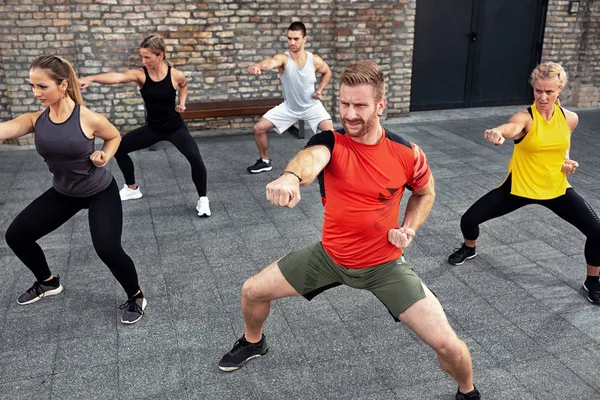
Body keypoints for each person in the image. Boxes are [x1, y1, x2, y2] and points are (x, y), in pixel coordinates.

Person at [219, 61, 480, 400]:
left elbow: (425, 191)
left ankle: (467, 391)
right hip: (329, 257)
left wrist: (410, 227)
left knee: (448, 345)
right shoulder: (331, 140)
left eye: (360, 105)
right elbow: (311, 160)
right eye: (344, 104)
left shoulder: (406, 154)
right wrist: (290, 177)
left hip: (384, 266)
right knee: (252, 290)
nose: (350, 114)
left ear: (380, 105)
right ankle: (254, 343)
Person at [1, 55, 147, 324]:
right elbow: (5, 129)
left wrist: (104, 155)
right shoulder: (36, 120)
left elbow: (114, 136)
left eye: (42, 86)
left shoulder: (87, 118)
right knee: (17, 236)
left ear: (63, 85)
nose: (36, 93)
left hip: (99, 190)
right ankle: (47, 282)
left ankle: (136, 295)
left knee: (108, 249)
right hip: (64, 193)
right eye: (32, 86)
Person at [448, 62, 600, 305]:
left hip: (556, 189)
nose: (542, 97)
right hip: (519, 188)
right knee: (468, 219)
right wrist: (498, 131)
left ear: (560, 89)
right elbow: (511, 128)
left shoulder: (570, 118)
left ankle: (592, 281)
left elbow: (563, 144)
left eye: (549, 91)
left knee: (597, 230)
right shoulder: (525, 118)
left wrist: (567, 161)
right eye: (538, 90)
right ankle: (469, 247)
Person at [79, 35, 211, 217]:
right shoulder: (141, 75)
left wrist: (182, 101)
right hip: (153, 129)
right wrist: (92, 78)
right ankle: (132, 188)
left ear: (160, 56)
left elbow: (184, 85)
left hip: (175, 128)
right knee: (119, 147)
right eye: (142, 57)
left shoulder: (175, 74)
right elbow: (118, 77)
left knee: (195, 159)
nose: (144, 61)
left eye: (147, 57)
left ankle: (203, 200)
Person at [245, 21, 334, 174]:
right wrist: (258, 66)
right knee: (258, 128)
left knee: (330, 133)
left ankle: (330, 164)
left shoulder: (314, 60)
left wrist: (320, 89)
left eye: (296, 39)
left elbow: (327, 72)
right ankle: (265, 161)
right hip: (289, 108)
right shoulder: (284, 59)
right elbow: (270, 62)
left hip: (312, 106)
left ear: (304, 39)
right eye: (289, 38)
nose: (292, 42)